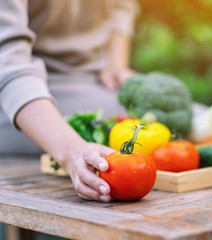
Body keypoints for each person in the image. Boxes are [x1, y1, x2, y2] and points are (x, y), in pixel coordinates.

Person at [0, 0, 140, 202]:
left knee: (195, 119)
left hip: (93, 82)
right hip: (20, 98)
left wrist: (116, 62)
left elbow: (122, 6)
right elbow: (8, 65)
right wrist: (72, 151)